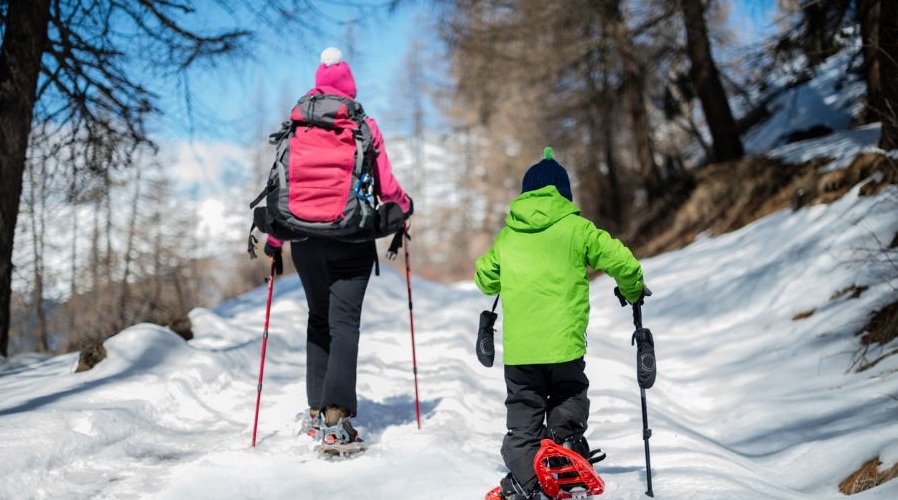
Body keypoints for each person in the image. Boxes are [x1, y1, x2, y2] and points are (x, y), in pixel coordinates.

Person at [474, 148, 645, 499]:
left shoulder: (509, 236)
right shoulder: (577, 228)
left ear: (525, 194)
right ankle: (565, 446)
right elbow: (622, 262)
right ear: (564, 194)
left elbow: (484, 279)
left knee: (523, 415)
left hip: (521, 353)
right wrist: (633, 288)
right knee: (568, 393)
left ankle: (526, 478)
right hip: (565, 345)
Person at [264, 47, 413, 446]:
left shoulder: (298, 126)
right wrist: (404, 206)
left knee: (318, 318)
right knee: (344, 323)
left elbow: (281, 186)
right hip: (351, 238)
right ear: (349, 88)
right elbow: (386, 186)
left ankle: (315, 412)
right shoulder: (363, 125)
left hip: (305, 241)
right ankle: (336, 415)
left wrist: (275, 241)